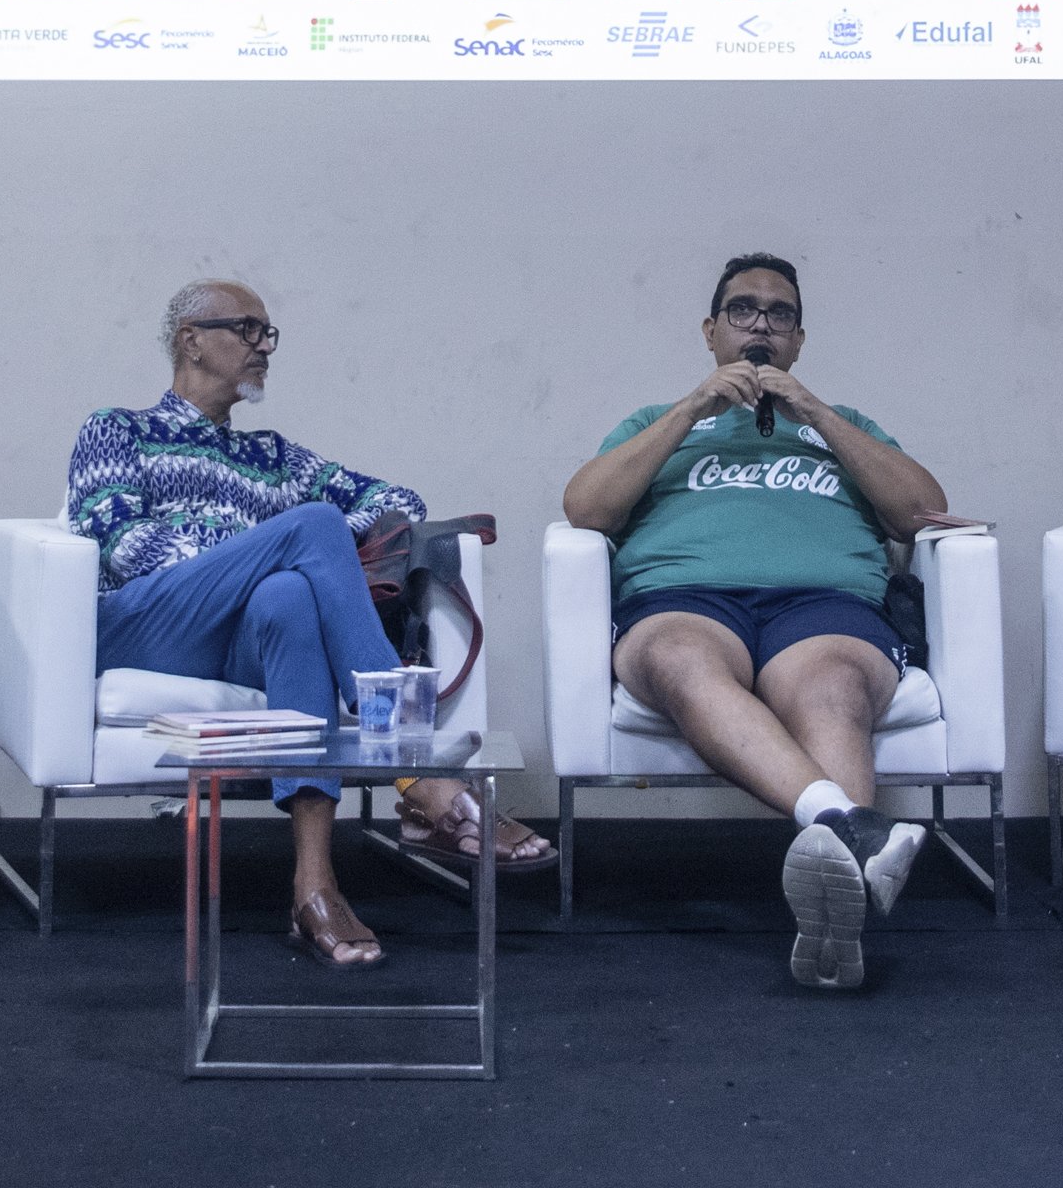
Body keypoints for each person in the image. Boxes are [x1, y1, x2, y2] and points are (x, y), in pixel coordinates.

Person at [68, 279, 551, 970]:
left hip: (232, 641)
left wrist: (297, 560)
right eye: (248, 329)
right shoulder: (118, 429)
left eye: (269, 333)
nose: (264, 346)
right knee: (309, 533)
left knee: (291, 598)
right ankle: (418, 772)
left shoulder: (273, 457)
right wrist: (264, 549)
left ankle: (314, 888)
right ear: (191, 340)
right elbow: (125, 546)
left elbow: (397, 501)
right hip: (144, 624)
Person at [560, 252, 951, 991]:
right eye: (743, 310)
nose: (761, 325)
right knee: (680, 659)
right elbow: (586, 509)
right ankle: (850, 827)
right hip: (684, 600)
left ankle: (835, 904)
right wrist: (692, 410)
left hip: (825, 606)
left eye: (780, 315)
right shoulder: (656, 424)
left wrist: (819, 415)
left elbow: (919, 513)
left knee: (834, 686)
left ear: (798, 340)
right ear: (712, 332)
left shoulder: (846, 427)